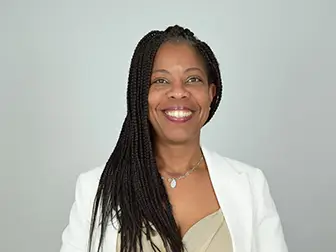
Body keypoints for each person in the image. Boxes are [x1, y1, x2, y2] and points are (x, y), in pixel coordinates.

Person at [60, 25, 288, 252]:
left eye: (193, 79)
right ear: (140, 94)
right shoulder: (94, 189)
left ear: (211, 93)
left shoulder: (250, 185)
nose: (178, 92)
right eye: (161, 81)